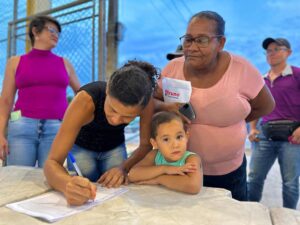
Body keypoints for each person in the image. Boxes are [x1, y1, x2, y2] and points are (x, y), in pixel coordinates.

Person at [154, 11, 275, 201]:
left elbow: (266, 105)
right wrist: (167, 109)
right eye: (188, 39)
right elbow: (154, 102)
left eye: (201, 40)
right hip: (181, 166)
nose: (192, 47)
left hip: (228, 173)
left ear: (220, 43)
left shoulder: (242, 69)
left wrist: (233, 122)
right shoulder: (172, 69)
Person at [44, 60, 158, 206]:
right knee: (83, 190)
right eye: (113, 109)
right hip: (82, 148)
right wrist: (67, 185)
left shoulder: (145, 102)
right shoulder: (85, 100)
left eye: (127, 117)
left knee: (117, 197)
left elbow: (145, 145)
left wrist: (123, 167)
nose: (116, 120)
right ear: (107, 90)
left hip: (115, 148)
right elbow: (52, 162)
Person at [0, 15, 80, 167]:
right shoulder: (15, 62)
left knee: (49, 179)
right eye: (51, 30)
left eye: (58, 33)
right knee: (17, 178)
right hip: (21, 125)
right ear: (35, 31)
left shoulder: (65, 63)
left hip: (57, 128)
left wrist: (73, 123)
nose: (55, 35)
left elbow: (82, 95)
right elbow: (5, 100)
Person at [248, 37, 300, 209]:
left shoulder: (297, 75)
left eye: (276, 49)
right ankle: (250, 213)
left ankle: (289, 218)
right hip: (265, 135)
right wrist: (253, 128)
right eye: (268, 51)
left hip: (293, 136)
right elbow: (256, 106)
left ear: (288, 52)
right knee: (254, 177)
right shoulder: (261, 80)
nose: (271, 53)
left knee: (290, 182)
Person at [128, 111, 202, 194]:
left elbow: (193, 186)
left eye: (179, 137)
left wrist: (159, 179)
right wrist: (165, 169)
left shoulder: (191, 158)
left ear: (186, 136)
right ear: (155, 143)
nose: (175, 145)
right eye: (166, 139)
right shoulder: (155, 155)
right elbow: (132, 175)